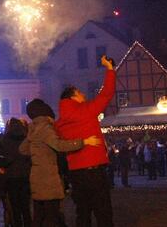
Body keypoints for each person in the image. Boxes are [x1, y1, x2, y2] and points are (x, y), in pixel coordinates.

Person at [56, 54, 117, 227]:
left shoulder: (59, 123)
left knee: (82, 212)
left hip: (75, 172)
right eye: (80, 92)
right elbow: (106, 94)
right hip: (94, 171)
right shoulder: (86, 110)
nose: (83, 94)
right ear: (73, 97)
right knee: (103, 211)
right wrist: (110, 69)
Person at [20, 99, 100, 227]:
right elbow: (59, 145)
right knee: (51, 215)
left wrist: (37, 151)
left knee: (39, 215)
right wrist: (84, 142)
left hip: (36, 177)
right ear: (47, 115)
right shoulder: (45, 128)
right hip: (48, 179)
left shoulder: (33, 129)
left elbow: (22, 149)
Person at [1, 118, 31, 227]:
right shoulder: (26, 138)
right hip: (25, 174)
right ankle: (28, 224)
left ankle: (17, 224)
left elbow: (4, 158)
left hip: (12, 176)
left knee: (15, 207)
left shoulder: (5, 140)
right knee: (26, 206)